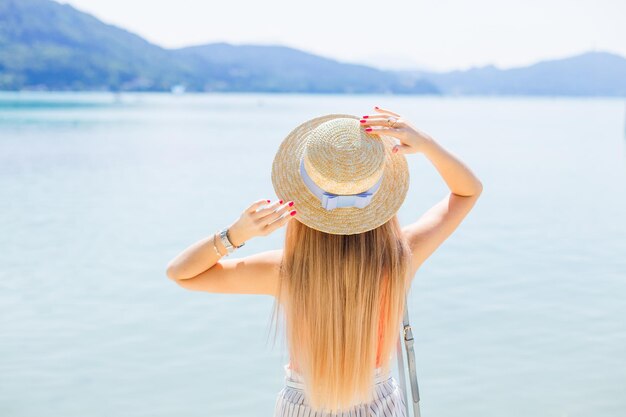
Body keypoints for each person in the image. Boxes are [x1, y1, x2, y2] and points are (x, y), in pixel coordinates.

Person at [165, 106, 483, 416]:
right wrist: (425, 143)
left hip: (302, 407)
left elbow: (181, 274)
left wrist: (235, 234)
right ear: (383, 199)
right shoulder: (401, 258)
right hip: (381, 406)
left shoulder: (285, 271)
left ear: (301, 201)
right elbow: (468, 192)